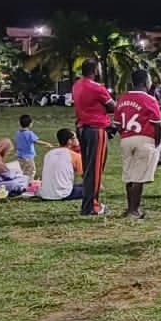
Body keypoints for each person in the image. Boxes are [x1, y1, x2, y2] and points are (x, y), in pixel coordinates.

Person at [116, 70, 161, 220]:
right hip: (144, 138)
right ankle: (134, 211)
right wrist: (157, 142)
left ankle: (130, 208)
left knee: (130, 175)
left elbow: (117, 123)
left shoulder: (122, 98)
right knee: (139, 177)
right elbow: (158, 124)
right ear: (145, 82)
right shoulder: (149, 99)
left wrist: (124, 135)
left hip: (126, 138)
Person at [72, 59, 116, 216]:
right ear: (95, 71)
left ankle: (88, 203)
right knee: (95, 169)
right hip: (95, 129)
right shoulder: (97, 88)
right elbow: (113, 106)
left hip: (82, 128)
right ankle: (91, 206)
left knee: (89, 168)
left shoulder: (77, 85)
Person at [39, 129, 84, 201]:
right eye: (75, 138)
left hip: (45, 194)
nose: (78, 140)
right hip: (63, 194)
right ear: (69, 141)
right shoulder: (74, 155)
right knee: (91, 188)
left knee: (80, 185)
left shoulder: (49, 154)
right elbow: (86, 177)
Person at [13, 114, 53, 180]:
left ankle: (22, 181)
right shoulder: (29, 133)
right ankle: (29, 183)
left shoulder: (18, 133)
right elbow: (36, 141)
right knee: (31, 171)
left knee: (23, 170)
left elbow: (16, 142)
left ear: (19, 123)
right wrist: (47, 143)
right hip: (28, 157)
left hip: (19, 156)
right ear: (30, 124)